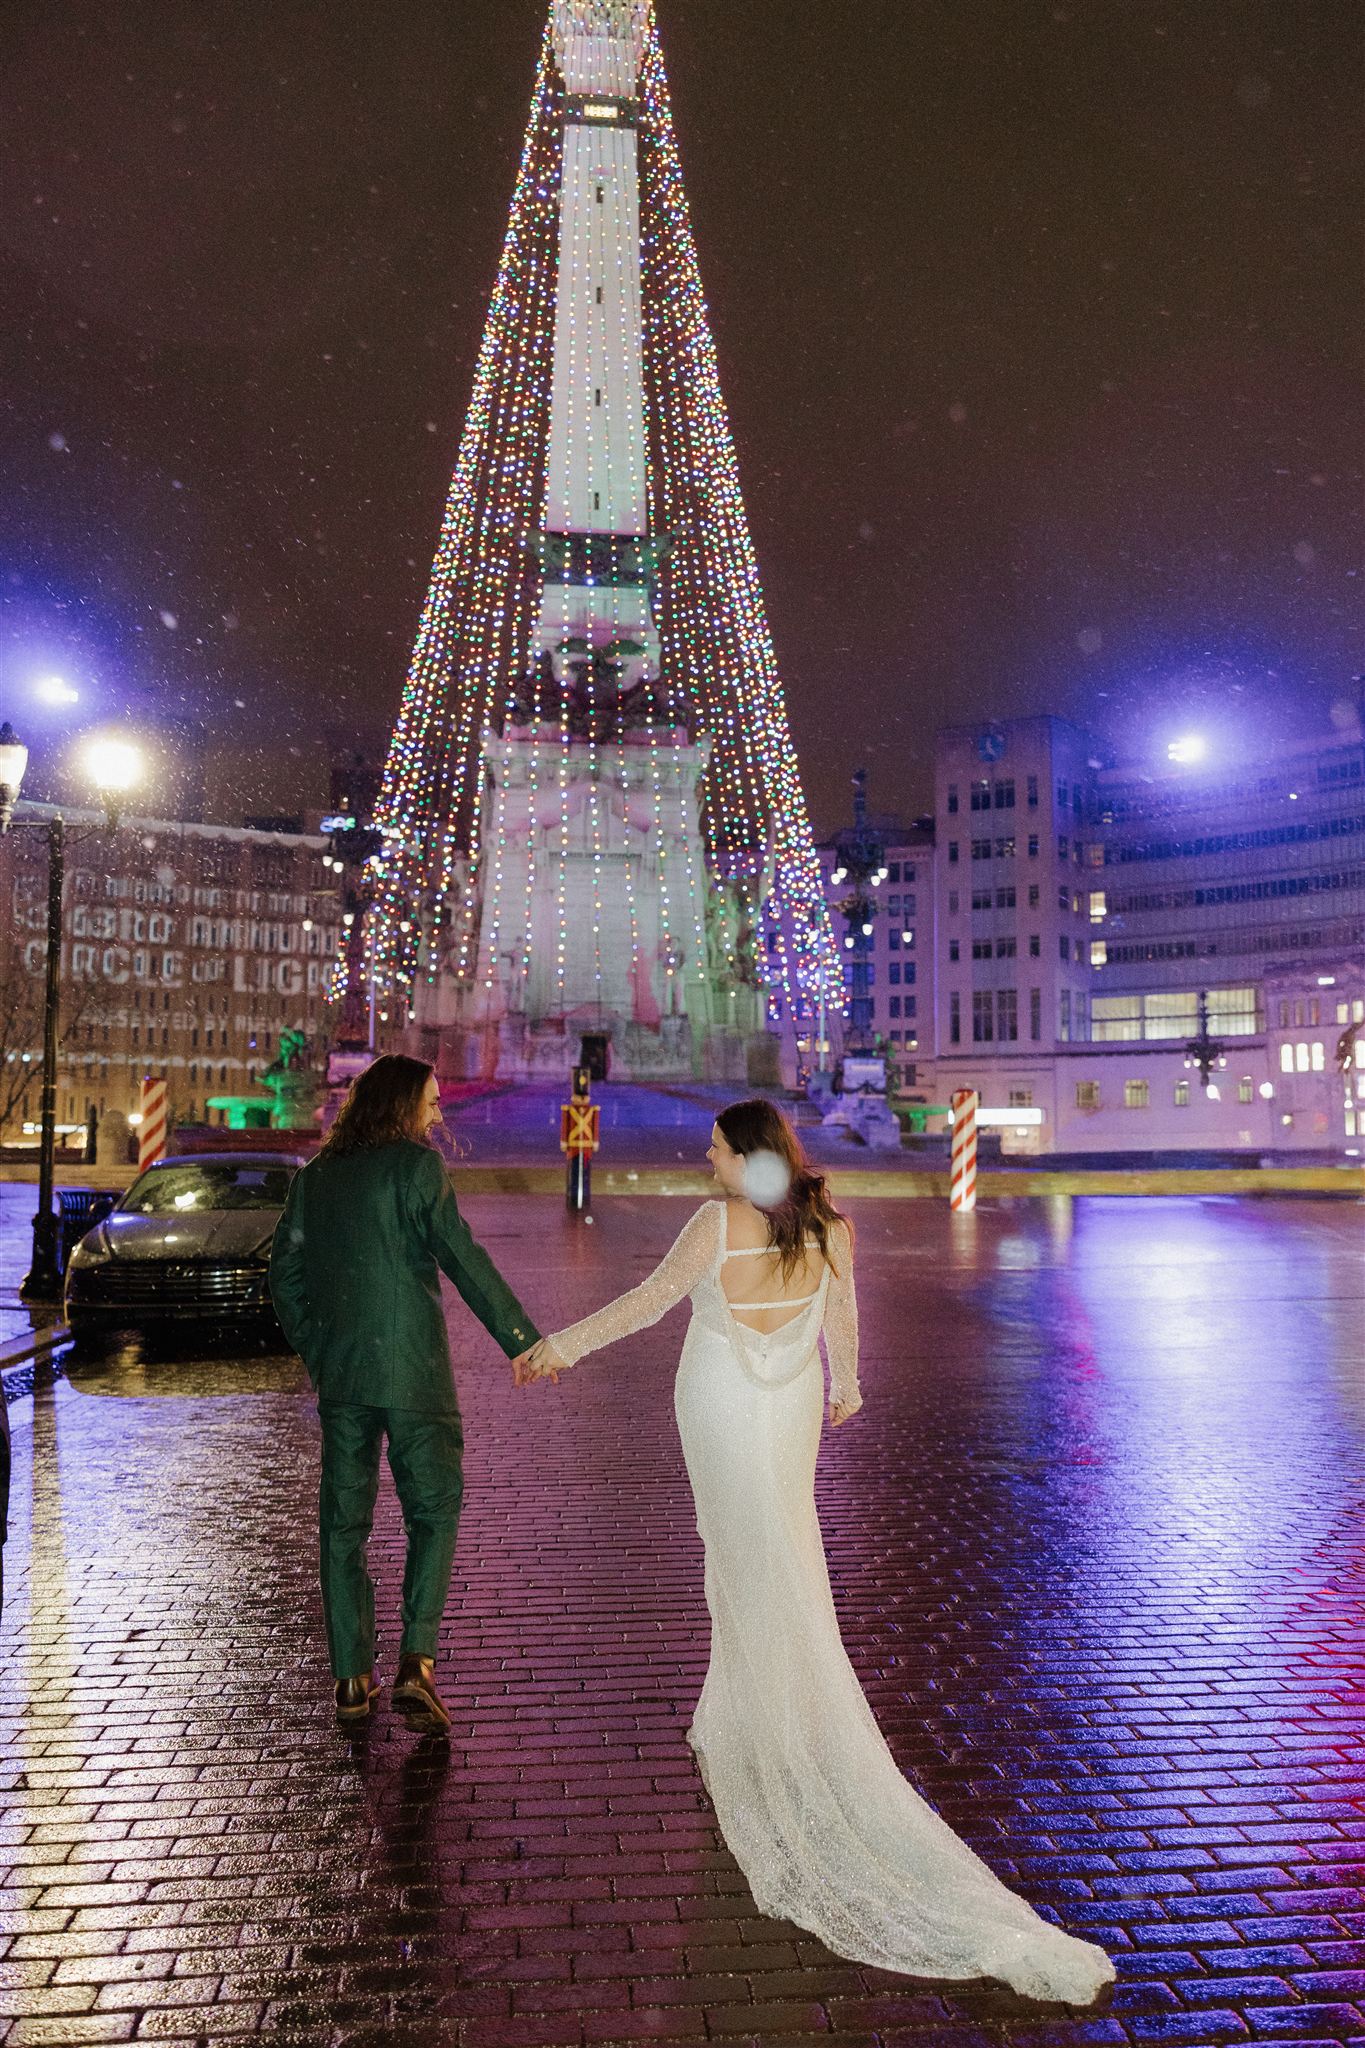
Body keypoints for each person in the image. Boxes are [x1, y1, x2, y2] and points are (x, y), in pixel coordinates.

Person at [513, 1097, 1114, 2004]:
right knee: (778, 1552)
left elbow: (646, 1305)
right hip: (788, 1403)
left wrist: (557, 1346)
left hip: (717, 1403)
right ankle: (742, 1713)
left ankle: (771, 1730)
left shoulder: (714, 1224)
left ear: (746, 1157)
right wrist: (848, 1386)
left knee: (740, 1558)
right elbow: (844, 1324)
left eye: (716, 1149)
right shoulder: (830, 1226)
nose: (706, 1159)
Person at [270, 1054, 539, 1732]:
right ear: (400, 1104)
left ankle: (350, 1678)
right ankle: (416, 1662)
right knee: (434, 1509)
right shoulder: (417, 1169)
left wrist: (321, 1350)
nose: (439, 1113)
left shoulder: (317, 1179)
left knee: (342, 1524)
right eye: (432, 1101)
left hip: (345, 1379)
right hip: (414, 1375)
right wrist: (520, 1338)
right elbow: (460, 1256)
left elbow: (284, 1276)